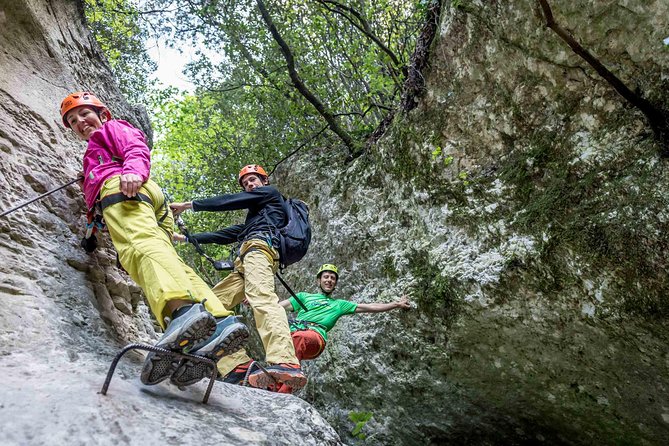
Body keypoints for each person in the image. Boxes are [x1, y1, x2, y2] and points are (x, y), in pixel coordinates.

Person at [59, 91, 249, 388]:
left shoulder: (111, 129)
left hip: (126, 187)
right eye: (72, 120)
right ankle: (219, 321)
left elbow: (136, 146)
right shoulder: (97, 151)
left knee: (138, 247)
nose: (80, 122)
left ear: (103, 113)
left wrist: (132, 170)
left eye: (85, 114)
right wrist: (91, 233)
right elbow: (98, 206)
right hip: (147, 196)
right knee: (170, 260)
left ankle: (182, 313)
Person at [170, 164, 307, 390]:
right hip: (246, 262)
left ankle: (285, 361)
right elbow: (226, 235)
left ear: (265, 182)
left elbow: (231, 200)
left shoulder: (271, 195)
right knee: (207, 307)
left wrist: (188, 205)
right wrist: (182, 238)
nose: (249, 185)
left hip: (259, 251)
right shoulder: (259, 217)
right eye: (245, 183)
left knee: (262, 300)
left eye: (253, 180)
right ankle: (235, 365)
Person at [221, 263, 411, 393]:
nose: (329, 280)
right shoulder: (303, 297)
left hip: (314, 338)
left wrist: (395, 304)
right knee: (282, 345)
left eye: (332, 278)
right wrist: (254, 303)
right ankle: (273, 384)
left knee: (298, 340)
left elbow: (368, 307)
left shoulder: (339, 305)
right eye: (326, 277)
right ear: (318, 280)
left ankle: (283, 391)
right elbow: (276, 307)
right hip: (295, 333)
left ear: (335, 283)